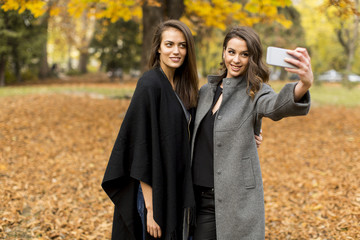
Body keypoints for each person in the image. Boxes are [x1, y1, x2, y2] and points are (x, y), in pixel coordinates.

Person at [190, 26, 313, 239]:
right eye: (231, 52)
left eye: (244, 54)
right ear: (223, 52)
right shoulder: (205, 91)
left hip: (237, 199)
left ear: (252, 58)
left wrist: (303, 84)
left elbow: (275, 106)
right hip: (200, 198)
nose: (236, 59)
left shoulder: (255, 91)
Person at [101, 20, 199, 240]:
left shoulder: (185, 87)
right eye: (170, 44)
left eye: (182, 45)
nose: (176, 51)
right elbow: (140, 147)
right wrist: (151, 209)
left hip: (176, 186)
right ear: (158, 47)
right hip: (152, 192)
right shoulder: (149, 84)